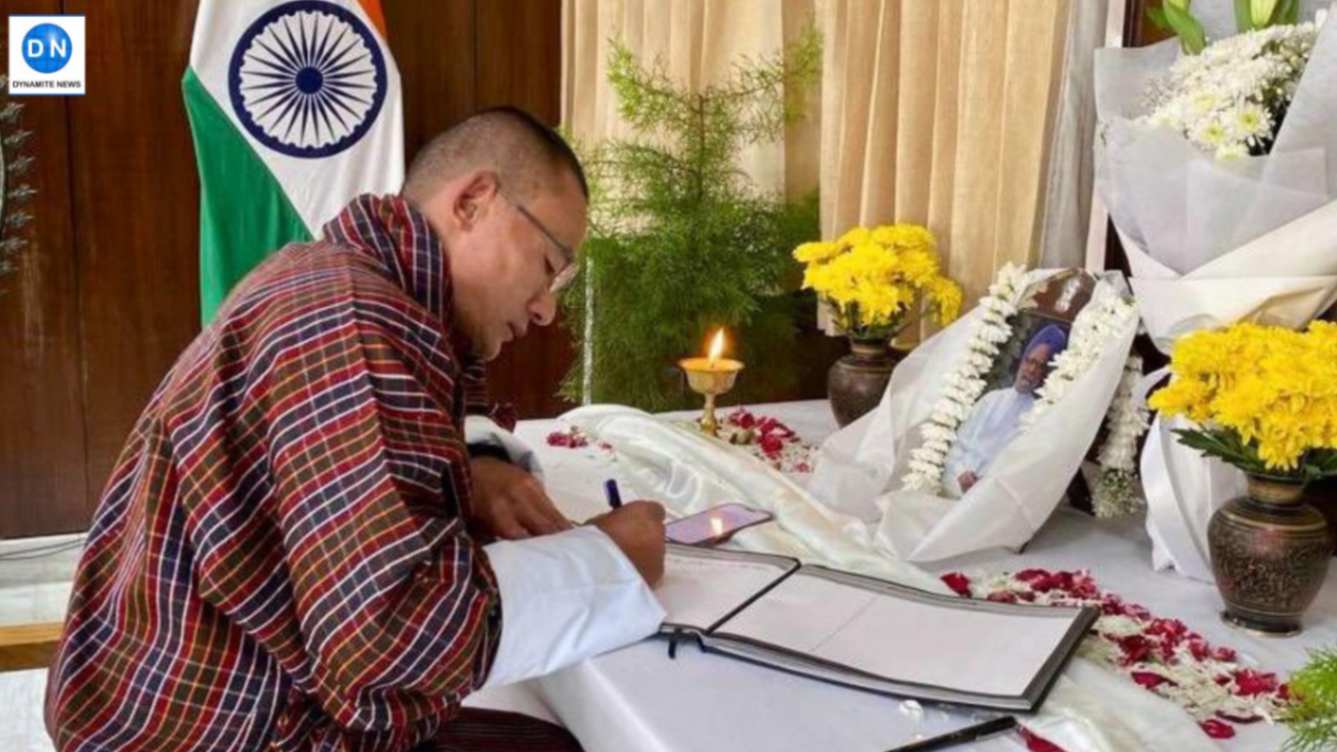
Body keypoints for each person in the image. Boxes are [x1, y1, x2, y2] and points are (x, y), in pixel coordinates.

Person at [45, 108, 669, 751]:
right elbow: (389, 637)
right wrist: (607, 562)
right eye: (549, 264)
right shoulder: (349, 320)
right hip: (221, 728)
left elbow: (422, 416)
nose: (545, 308)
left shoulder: (347, 281)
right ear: (475, 201)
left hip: (216, 698)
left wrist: (477, 468)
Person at [941, 324, 1068, 497]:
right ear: (1022, 361)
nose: (1031, 370)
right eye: (1030, 361)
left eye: (1040, 366)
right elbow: (958, 445)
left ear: (1046, 374)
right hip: (955, 482)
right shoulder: (992, 399)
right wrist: (960, 474)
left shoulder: (1037, 417)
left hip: (992, 497)